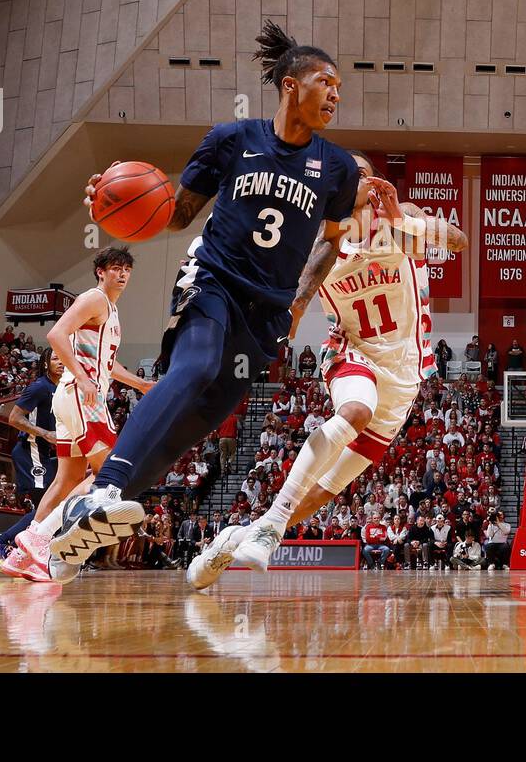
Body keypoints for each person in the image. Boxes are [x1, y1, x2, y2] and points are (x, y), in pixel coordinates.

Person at [49, 21, 397, 571]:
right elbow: (175, 213)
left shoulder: (334, 166)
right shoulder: (231, 139)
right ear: (290, 84)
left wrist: (302, 299)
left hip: (267, 314)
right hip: (213, 280)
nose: (335, 94)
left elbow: (331, 242)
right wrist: (112, 200)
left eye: (339, 89)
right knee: (195, 366)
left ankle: (79, 534)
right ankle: (104, 491)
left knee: (192, 426)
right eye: (326, 82)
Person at [188, 151, 466, 585]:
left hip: (404, 376)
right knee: (355, 411)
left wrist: (400, 218)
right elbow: (296, 301)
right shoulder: (319, 242)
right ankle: (272, 525)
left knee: (324, 491)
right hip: (353, 352)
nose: (356, 179)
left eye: (363, 173)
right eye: (346, 173)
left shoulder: (401, 216)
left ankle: (237, 537)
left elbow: (458, 240)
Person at [0, 247, 155, 581]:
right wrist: (83, 378)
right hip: (81, 395)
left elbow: (107, 366)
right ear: (101, 271)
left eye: (127, 269)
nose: (123, 274)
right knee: (111, 473)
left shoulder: (110, 311)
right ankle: (41, 537)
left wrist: (139, 384)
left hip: (75, 396)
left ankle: (21, 556)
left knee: (67, 479)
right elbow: (55, 334)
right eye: (115, 268)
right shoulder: (95, 299)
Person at [0, 350, 62, 566]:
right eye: (55, 358)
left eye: (64, 357)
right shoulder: (40, 387)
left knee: (48, 509)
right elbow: (14, 418)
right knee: (45, 509)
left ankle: (17, 555)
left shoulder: (61, 389)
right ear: (45, 363)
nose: (61, 362)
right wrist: (44, 433)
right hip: (31, 450)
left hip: (44, 454)